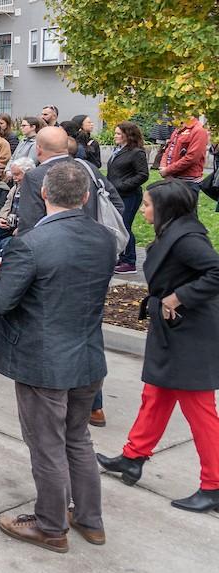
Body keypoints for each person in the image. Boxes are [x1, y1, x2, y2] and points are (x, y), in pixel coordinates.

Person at [0, 161, 115, 553]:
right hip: (87, 356)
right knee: (78, 438)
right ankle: (90, 519)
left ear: (43, 194)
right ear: (86, 197)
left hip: (44, 361)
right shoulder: (104, 239)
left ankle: (51, 525)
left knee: (47, 445)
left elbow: (3, 300)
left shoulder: (30, 244)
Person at [96, 179, 219, 514]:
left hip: (191, 332)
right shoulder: (175, 230)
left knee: (200, 410)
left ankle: (215, 486)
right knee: (156, 395)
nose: (143, 209)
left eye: (148, 204)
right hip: (174, 329)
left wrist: (179, 296)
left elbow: (216, 272)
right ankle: (133, 457)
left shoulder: (189, 238)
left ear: (166, 208)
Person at [109, 122, 150, 275]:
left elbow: (143, 174)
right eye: (115, 133)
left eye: (118, 133)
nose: (115, 136)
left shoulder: (136, 152)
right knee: (119, 226)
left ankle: (129, 261)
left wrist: (123, 185)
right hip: (117, 194)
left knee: (125, 226)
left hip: (129, 195)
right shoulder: (118, 151)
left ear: (128, 135)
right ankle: (122, 257)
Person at [0, 157, 36, 257]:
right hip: (10, 223)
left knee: (6, 242)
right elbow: (7, 205)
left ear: (28, 173)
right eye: (13, 174)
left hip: (23, 227)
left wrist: (22, 228)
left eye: (17, 174)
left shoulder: (34, 189)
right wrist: (0, 218)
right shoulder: (16, 187)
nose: (14, 178)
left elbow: (34, 214)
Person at [160, 116, 211, 194]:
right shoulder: (179, 128)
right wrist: (163, 167)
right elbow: (168, 149)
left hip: (188, 183)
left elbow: (192, 157)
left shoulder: (199, 130)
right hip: (171, 179)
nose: (173, 114)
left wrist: (167, 170)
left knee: (184, 206)